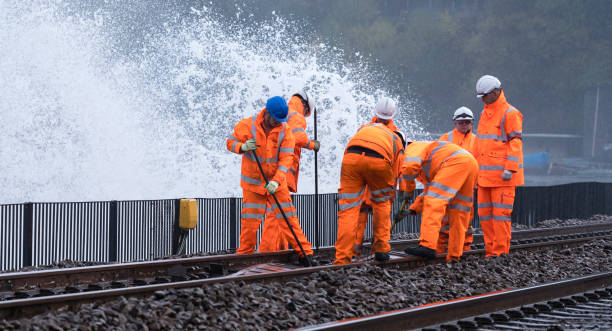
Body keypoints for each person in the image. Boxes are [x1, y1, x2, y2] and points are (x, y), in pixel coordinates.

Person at [226, 96, 316, 266]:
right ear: (266, 113)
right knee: (249, 226)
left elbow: (286, 159)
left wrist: (276, 181)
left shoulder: (285, 131)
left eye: (280, 120)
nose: (277, 123)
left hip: (276, 185)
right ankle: (243, 258)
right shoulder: (248, 125)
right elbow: (230, 142)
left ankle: (306, 254)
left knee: (289, 220)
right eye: (275, 119)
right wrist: (242, 147)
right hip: (253, 186)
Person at [334, 120, 406, 265]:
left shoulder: (367, 128)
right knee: (382, 204)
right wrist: (399, 194)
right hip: (378, 162)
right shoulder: (397, 142)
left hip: (350, 158)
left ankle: (342, 258)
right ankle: (381, 248)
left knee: (348, 210)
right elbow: (396, 175)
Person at [400, 141, 479, 262]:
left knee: (434, 202)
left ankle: (427, 246)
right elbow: (429, 190)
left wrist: (409, 189)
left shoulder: (413, 147)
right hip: (470, 163)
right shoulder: (431, 155)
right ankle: (454, 255)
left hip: (455, 162)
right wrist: (412, 209)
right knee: (459, 211)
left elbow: (409, 167)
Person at [474, 75, 524, 257]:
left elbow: (515, 142)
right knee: (486, 217)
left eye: (485, 96)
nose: (483, 100)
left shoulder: (510, 113)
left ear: (495, 92)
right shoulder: (484, 113)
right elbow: (480, 144)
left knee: (501, 217)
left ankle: (500, 253)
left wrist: (510, 169)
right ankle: (490, 251)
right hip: (484, 178)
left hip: (503, 178)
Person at [266, 90, 320, 251]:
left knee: (279, 214)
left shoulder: (284, 111)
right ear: (304, 105)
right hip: (284, 170)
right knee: (276, 215)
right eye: (307, 112)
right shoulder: (296, 115)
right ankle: (268, 253)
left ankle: (279, 250)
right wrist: (312, 144)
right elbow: (298, 137)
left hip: (274, 167)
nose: (306, 115)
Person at [352, 97, 401, 259]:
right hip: (375, 182)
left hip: (377, 182)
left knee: (376, 216)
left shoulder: (367, 128)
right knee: (368, 214)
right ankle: (360, 251)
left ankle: (375, 250)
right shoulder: (395, 134)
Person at [436, 106, 478, 254]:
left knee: (466, 218)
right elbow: (437, 159)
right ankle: (440, 247)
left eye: (467, 122)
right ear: (455, 123)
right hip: (448, 185)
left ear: (472, 123)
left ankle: (464, 247)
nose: (464, 124)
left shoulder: (477, 141)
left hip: (467, 187)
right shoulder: (446, 138)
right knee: (444, 219)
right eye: (461, 122)